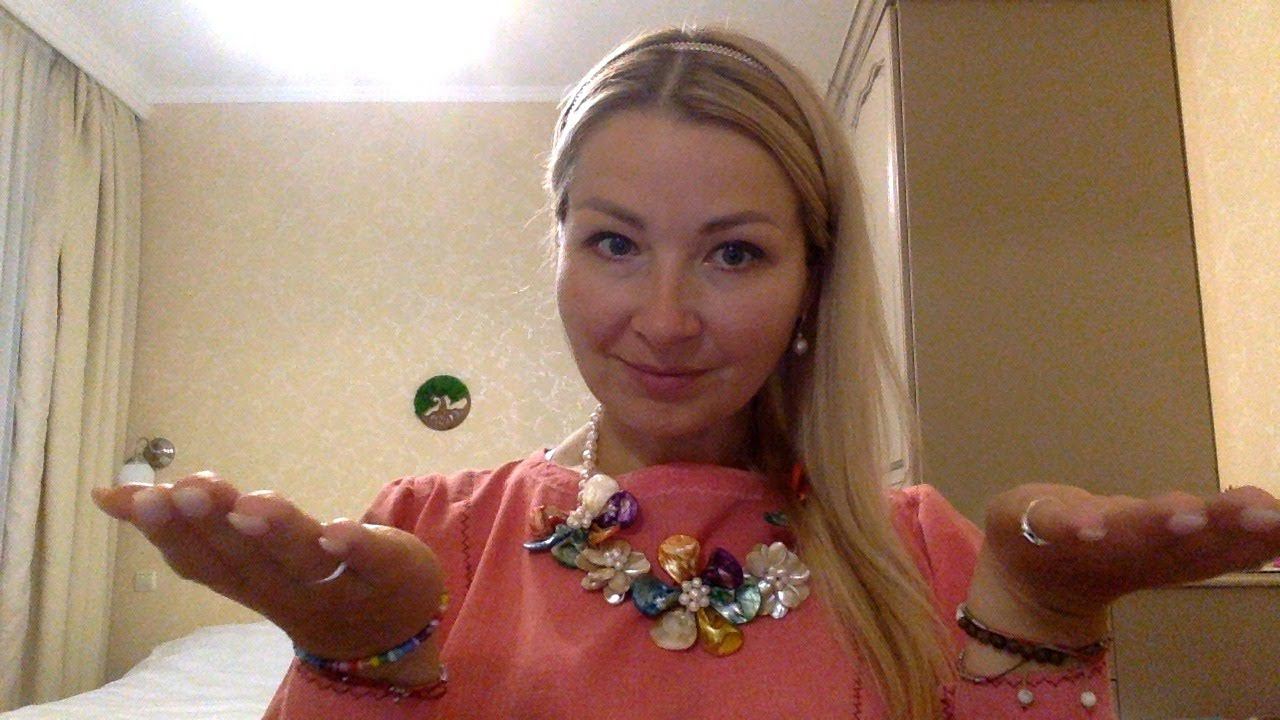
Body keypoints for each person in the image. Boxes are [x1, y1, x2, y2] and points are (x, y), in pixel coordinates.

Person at [92, 27, 1280, 719]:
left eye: (733, 254)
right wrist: (358, 661)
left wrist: (1042, 626)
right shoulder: (425, 535)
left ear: (812, 277)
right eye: (614, 243)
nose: (661, 320)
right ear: (559, 251)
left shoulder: (923, 553)